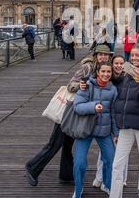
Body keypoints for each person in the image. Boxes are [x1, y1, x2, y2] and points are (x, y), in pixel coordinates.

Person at [24, 44, 111, 187]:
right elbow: (71, 85)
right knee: (55, 143)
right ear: (95, 56)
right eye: (100, 54)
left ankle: (66, 174)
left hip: (79, 111)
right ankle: (32, 167)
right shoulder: (88, 67)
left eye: (105, 55)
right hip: (69, 110)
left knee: (68, 143)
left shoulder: (103, 69)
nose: (103, 57)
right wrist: (82, 86)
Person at [94, 43, 139, 198]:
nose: (134, 58)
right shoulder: (125, 74)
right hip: (126, 125)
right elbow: (105, 76)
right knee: (117, 164)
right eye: (132, 55)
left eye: (138, 55)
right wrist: (86, 81)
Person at [72, 61, 118, 198]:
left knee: (110, 159)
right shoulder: (86, 86)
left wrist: (116, 133)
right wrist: (93, 107)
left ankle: (107, 184)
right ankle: (78, 189)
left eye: (108, 72)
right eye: (103, 71)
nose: (105, 74)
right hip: (85, 129)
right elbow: (77, 106)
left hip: (104, 130)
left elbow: (114, 113)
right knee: (79, 162)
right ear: (97, 72)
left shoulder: (113, 90)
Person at [92, 55, 129, 193]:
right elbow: (93, 83)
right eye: (116, 63)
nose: (118, 66)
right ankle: (99, 177)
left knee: (123, 149)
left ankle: (122, 177)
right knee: (105, 149)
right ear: (112, 65)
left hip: (123, 117)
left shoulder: (128, 78)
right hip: (108, 117)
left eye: (121, 63)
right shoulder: (108, 78)